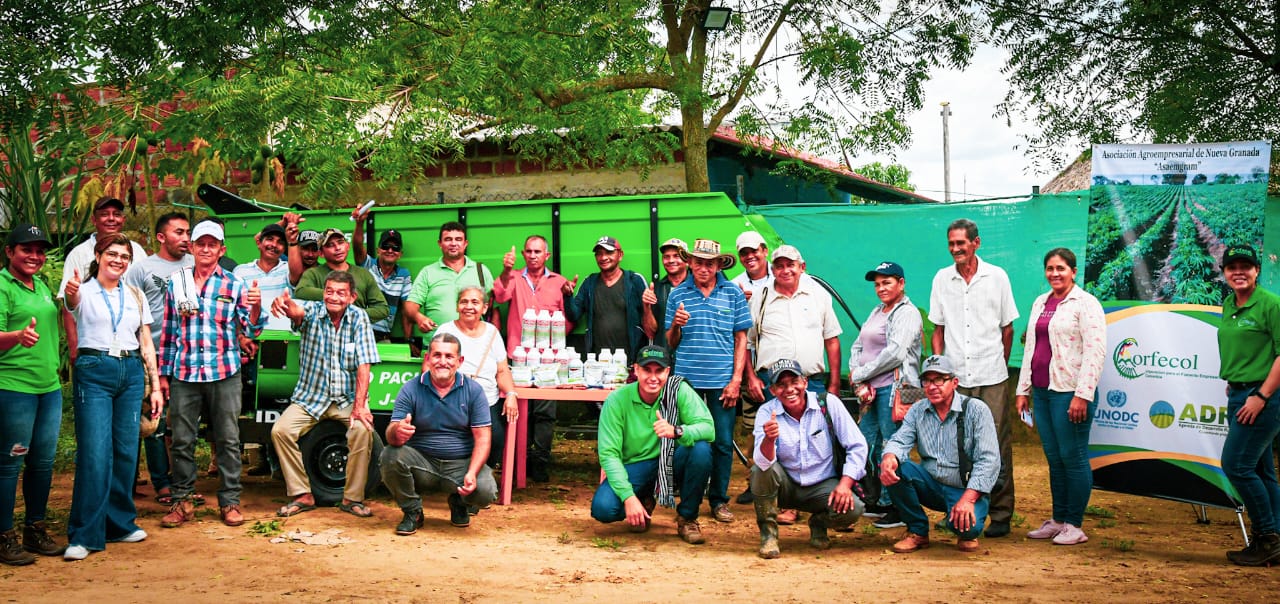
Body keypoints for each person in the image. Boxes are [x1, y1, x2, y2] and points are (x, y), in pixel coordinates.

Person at [62, 234, 165, 560]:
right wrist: (71, 293)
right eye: (112, 254)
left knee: (125, 451)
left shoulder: (134, 294)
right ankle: (83, 534)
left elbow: (146, 341)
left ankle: (120, 524)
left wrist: (155, 387)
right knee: (95, 453)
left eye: (124, 255)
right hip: (95, 369)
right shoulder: (84, 290)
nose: (118, 260)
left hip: (131, 372)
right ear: (98, 255)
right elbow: (70, 303)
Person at [158, 221, 264, 529]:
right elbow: (168, 331)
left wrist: (255, 310)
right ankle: (183, 501)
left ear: (222, 249)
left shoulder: (233, 284)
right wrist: (164, 375)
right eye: (200, 243)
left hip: (225, 371)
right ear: (191, 247)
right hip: (185, 372)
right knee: (181, 440)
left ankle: (230, 501)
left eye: (212, 244)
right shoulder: (177, 283)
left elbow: (250, 330)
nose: (206, 249)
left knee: (228, 439)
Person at [928, 218, 1019, 538]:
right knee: (954, 447)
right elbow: (937, 330)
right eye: (951, 244)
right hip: (957, 379)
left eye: (961, 244)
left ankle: (1001, 512)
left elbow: (1008, 329)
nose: (955, 250)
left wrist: (999, 365)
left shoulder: (997, 278)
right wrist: (943, 371)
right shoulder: (942, 279)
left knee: (994, 444)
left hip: (991, 376)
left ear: (976, 243)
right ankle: (956, 509)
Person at [742, 244, 843, 524]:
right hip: (773, 382)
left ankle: (830, 503)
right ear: (772, 269)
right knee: (780, 440)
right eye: (779, 265)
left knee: (824, 442)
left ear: (802, 266)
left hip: (813, 381)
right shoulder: (761, 297)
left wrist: (834, 383)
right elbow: (748, 341)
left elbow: (832, 339)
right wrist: (750, 375)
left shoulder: (818, 295)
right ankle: (788, 504)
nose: (785, 270)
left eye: (791, 264)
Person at [269, 271, 380, 519]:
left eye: (341, 293)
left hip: (346, 399)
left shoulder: (359, 318)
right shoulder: (312, 312)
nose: (333, 297)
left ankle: (352, 499)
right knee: (281, 431)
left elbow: (365, 364)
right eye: (329, 291)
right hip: (311, 398)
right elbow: (297, 312)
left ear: (351, 297)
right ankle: (302, 495)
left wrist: (360, 406)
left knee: (362, 431)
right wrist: (287, 306)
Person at [1015, 248, 1106, 546]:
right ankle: (1058, 520)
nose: (1055, 273)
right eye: (1050, 268)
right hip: (1042, 391)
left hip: (1070, 392)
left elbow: (1095, 352)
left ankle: (1075, 525)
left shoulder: (1086, 304)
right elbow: (1030, 348)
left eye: (1061, 268)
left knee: (1074, 456)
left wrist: (1082, 395)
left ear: (1074, 272)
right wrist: (1023, 390)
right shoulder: (1041, 302)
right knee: (1055, 459)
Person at [591, 345, 714, 544]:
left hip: (672, 458)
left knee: (701, 449)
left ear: (668, 371)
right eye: (647, 370)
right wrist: (628, 498)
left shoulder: (678, 390)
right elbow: (609, 455)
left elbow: (709, 429)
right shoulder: (616, 400)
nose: (653, 377)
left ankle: (688, 517)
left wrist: (677, 431)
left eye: (659, 371)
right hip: (638, 464)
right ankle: (642, 499)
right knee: (604, 509)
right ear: (636, 370)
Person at [665, 238, 751, 524]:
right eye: (699, 262)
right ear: (690, 263)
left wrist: (736, 379)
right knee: (687, 439)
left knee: (723, 442)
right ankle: (687, 495)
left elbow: (742, 339)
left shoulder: (733, 294)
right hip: (687, 381)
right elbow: (671, 343)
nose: (704, 268)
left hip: (722, 381)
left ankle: (718, 499)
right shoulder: (678, 294)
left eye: (709, 263)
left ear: (718, 265)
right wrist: (676, 324)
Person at [880, 355, 1000, 554]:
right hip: (931, 484)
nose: (932, 386)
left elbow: (989, 461)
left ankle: (965, 524)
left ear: (954, 382)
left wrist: (969, 499)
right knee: (894, 467)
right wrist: (889, 457)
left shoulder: (976, 410)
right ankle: (917, 531)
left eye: (939, 380)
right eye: (927, 380)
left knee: (968, 530)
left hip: (965, 488)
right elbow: (900, 440)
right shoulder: (918, 410)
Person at [381, 333, 497, 535]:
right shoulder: (410, 389)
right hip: (422, 464)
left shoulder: (474, 391)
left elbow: (483, 438)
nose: (442, 362)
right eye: (436, 355)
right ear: (427, 358)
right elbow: (391, 434)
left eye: (449, 356)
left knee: (486, 491)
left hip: (460, 465)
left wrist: (471, 472)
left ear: (459, 361)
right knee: (390, 455)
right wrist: (397, 432)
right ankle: (412, 512)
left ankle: (459, 502)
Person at [751, 359, 866, 558]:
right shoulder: (766, 412)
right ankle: (768, 535)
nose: (789, 389)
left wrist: (845, 484)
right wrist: (769, 440)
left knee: (854, 508)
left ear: (805, 382)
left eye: (794, 382)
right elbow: (762, 463)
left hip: (823, 486)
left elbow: (857, 446)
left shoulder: (828, 403)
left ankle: (819, 522)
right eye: (781, 385)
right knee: (759, 471)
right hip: (786, 486)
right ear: (772, 391)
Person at [0, 224, 65, 565]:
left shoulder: (40, 285)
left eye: (40, 251)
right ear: (10, 252)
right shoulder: (2, 285)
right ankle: (3, 535)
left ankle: (34, 529)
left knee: (41, 463)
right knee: (10, 463)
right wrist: (16, 336)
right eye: (27, 249)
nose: (35, 256)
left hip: (48, 389)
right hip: (14, 389)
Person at [1215, 244, 1280, 566]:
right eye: (1232, 267)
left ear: (1257, 271)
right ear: (1225, 272)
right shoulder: (1230, 303)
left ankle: (1267, 537)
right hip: (1241, 392)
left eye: (1245, 266)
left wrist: (1261, 395)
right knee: (1261, 471)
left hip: (1263, 398)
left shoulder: (1271, 305)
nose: (1238, 272)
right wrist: (1236, 379)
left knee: (1237, 466)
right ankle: (1276, 537)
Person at [124, 212, 193, 504]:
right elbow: (127, 305)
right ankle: (161, 482)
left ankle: (182, 481)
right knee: (154, 422)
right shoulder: (141, 269)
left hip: (186, 355)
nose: (186, 238)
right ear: (161, 237)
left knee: (183, 423)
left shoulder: (194, 264)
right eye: (179, 232)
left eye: (188, 232)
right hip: (149, 356)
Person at [848, 261, 923, 526]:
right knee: (865, 443)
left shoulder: (908, 313)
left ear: (901, 283)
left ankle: (899, 507)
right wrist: (857, 374)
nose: (881, 288)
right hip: (871, 390)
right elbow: (857, 346)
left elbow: (896, 353)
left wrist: (861, 374)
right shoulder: (877, 311)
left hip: (898, 389)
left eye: (887, 282)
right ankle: (878, 499)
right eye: (878, 284)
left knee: (892, 445)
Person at [435, 286, 519, 468]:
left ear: (485, 308)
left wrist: (511, 394)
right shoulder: (445, 331)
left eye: (475, 302)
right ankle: (458, 479)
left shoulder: (492, 333)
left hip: (487, 401)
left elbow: (502, 370)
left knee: (495, 440)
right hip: (452, 400)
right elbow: (430, 367)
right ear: (457, 306)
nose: (469, 307)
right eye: (464, 301)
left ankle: (478, 479)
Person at [58, 196, 148, 361]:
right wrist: (73, 347)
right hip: (93, 346)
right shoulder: (79, 254)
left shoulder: (137, 251)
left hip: (132, 344)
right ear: (94, 219)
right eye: (105, 214)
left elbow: (144, 297)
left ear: (123, 219)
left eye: (116, 214)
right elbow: (67, 306)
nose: (111, 218)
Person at [404, 221, 494, 352]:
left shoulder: (481, 270)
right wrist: (419, 317)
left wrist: (491, 341)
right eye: (448, 239)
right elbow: (410, 306)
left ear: (465, 244)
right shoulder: (428, 272)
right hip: (437, 347)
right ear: (440, 244)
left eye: (458, 239)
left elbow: (493, 309)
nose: (453, 243)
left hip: (474, 347)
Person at [567, 235, 652, 362]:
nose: (603, 257)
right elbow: (574, 315)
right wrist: (567, 296)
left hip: (630, 361)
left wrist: (647, 307)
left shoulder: (635, 280)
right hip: (598, 361)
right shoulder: (589, 282)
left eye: (609, 252)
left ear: (620, 255)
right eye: (599, 254)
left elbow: (651, 326)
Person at [294, 228, 389, 323]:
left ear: (347, 246)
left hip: (356, 333)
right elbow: (300, 291)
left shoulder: (363, 274)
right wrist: (336, 296)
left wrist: (355, 315)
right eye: (330, 245)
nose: (337, 248)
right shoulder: (314, 273)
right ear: (321, 253)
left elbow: (382, 309)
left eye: (340, 242)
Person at [352, 210, 413, 342]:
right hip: (360, 331)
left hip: (384, 337)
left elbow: (406, 311)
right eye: (386, 246)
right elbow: (357, 247)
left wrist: (409, 341)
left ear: (400, 254)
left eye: (395, 247)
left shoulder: (404, 276)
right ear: (378, 250)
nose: (390, 250)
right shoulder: (367, 265)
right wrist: (359, 224)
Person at [234, 223, 292, 331]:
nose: (274, 245)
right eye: (270, 239)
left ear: (284, 249)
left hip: (281, 336)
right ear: (259, 243)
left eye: (280, 242)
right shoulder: (240, 271)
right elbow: (233, 308)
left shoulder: (289, 270)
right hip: (248, 336)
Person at [642, 238, 689, 351]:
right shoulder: (657, 289)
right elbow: (651, 332)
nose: (671, 260)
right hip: (664, 358)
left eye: (676, 256)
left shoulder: (698, 285)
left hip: (691, 359)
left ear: (687, 260)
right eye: (666, 257)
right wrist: (646, 306)